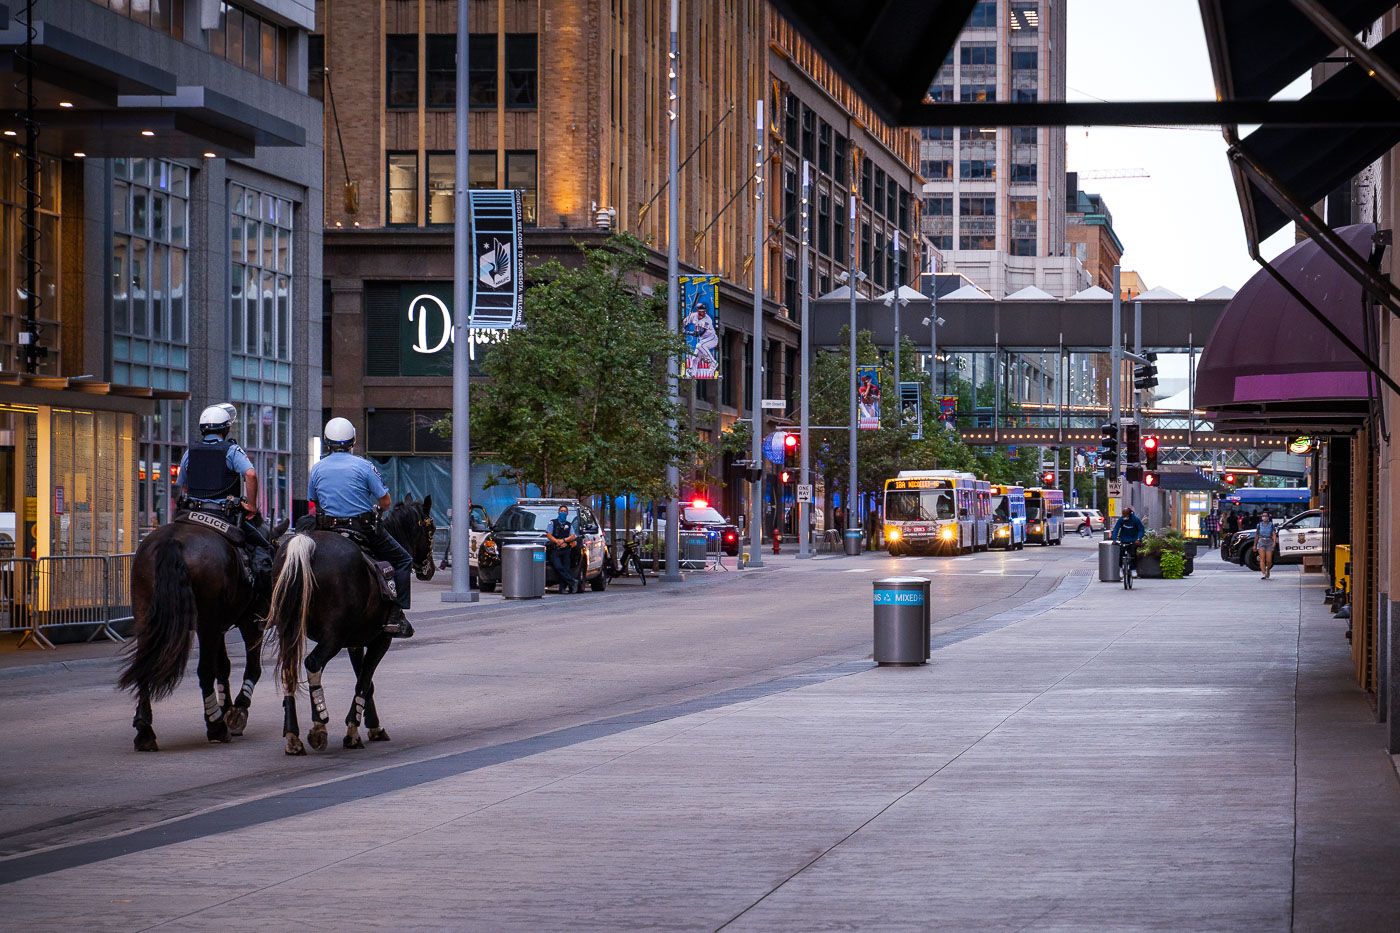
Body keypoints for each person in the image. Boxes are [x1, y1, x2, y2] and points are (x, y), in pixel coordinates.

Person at [307, 418, 415, 637]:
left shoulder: (317, 468)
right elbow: (384, 501)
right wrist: (379, 512)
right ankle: (395, 614)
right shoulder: (364, 466)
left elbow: (314, 501)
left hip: (328, 529)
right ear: (352, 441)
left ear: (328, 441)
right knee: (404, 560)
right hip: (362, 528)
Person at [178, 404, 273, 604]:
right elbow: (250, 474)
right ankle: (259, 606)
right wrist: (252, 506)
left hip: (192, 514)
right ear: (226, 429)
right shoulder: (231, 450)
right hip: (223, 515)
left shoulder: (190, 452)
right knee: (263, 546)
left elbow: (184, 486)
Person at [545, 505, 580, 594]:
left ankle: (563, 588)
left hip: (566, 550)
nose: (563, 513)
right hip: (555, 550)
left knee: (566, 568)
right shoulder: (553, 523)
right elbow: (549, 535)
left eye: (565, 511)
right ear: (558, 512)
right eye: (561, 511)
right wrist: (557, 541)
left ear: (567, 513)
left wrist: (564, 540)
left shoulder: (569, 525)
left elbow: (572, 536)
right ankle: (573, 582)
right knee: (558, 567)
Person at [1112, 506, 1147, 576]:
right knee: (1121, 553)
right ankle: (1121, 568)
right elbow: (1116, 529)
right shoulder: (1121, 519)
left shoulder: (1135, 520)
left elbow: (1141, 529)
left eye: (1125, 515)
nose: (1124, 516)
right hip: (1124, 539)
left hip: (1133, 540)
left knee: (1133, 553)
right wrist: (1114, 539)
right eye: (1123, 514)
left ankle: (1133, 569)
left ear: (1129, 514)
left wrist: (1138, 539)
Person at [1255, 509, 1277, 580]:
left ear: (1268, 517)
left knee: (1269, 560)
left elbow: (1273, 534)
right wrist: (1254, 544)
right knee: (1262, 558)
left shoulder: (1271, 525)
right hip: (1261, 541)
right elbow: (1257, 535)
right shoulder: (1259, 525)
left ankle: (1268, 569)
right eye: (1263, 516)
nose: (1264, 517)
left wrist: (1274, 542)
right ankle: (1263, 573)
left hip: (1269, 542)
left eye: (1266, 516)